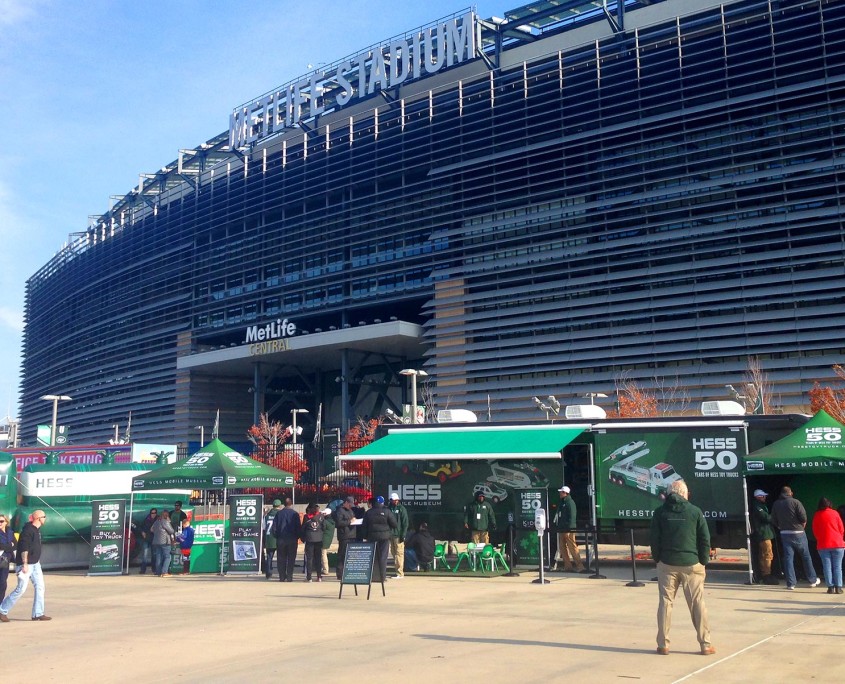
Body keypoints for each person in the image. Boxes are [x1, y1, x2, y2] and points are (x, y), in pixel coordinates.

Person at [650, 480, 714, 656]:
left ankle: (663, 644)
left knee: (665, 602)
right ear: (685, 493)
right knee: (697, 603)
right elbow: (704, 539)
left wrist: (658, 559)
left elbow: (654, 538)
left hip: (667, 563)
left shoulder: (660, 512)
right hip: (691, 564)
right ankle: (705, 644)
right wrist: (703, 560)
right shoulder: (695, 511)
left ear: (670, 493)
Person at [0, 509, 50, 622]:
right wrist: (25, 564)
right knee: (21, 589)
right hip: (26, 564)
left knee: (40, 587)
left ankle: (38, 613)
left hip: (35, 564)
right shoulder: (27, 531)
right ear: (38, 518)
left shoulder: (37, 530)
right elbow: (23, 548)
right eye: (44, 517)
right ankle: (2, 610)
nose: (45, 519)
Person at [770, 486, 820, 590]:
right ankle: (812, 580)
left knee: (788, 559)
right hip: (798, 532)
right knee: (806, 556)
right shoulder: (796, 502)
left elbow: (773, 519)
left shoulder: (776, 504)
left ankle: (791, 584)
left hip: (784, 533)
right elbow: (803, 517)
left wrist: (780, 527)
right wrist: (802, 526)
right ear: (790, 493)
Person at [811, 497, 844, 595]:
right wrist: (840, 538)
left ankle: (830, 587)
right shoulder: (835, 513)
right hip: (837, 544)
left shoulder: (817, 515)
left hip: (823, 544)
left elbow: (815, 530)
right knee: (838, 567)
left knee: (827, 567)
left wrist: (820, 539)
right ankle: (838, 587)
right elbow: (841, 528)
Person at [363, 495, 397, 582]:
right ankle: (382, 577)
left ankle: (372, 576)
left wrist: (365, 536)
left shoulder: (369, 512)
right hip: (384, 537)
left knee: (373, 557)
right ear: (383, 502)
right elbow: (394, 524)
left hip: (372, 537)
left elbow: (364, 526)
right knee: (383, 557)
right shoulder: (387, 511)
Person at [552, 485, 584, 572]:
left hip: (568, 529)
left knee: (572, 547)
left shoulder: (570, 503)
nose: (559, 493)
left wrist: (569, 529)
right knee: (562, 547)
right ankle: (567, 566)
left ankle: (580, 566)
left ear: (565, 493)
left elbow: (572, 517)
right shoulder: (562, 502)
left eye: (561, 492)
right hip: (562, 529)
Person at [749, 489, 777, 584]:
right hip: (764, 534)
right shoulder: (757, 506)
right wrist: (773, 516)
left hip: (764, 533)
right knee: (767, 554)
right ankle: (767, 574)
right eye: (763, 496)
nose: (765, 497)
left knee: (763, 555)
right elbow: (766, 517)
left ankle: (764, 573)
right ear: (758, 497)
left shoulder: (760, 505)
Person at [272, 498, 301, 582]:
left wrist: (277, 536)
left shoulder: (279, 514)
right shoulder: (295, 514)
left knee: (281, 558)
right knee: (291, 558)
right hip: (292, 539)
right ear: (291, 504)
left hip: (281, 539)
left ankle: (281, 576)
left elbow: (274, 527)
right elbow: (298, 527)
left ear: (284, 504)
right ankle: (289, 576)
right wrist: (297, 536)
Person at [300, 503, 325, 582]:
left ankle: (309, 577)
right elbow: (324, 527)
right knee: (318, 558)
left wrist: (303, 539)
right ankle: (319, 576)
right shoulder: (321, 516)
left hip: (310, 539)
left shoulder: (307, 517)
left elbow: (303, 529)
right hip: (319, 539)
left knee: (309, 559)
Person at [335, 496, 358, 580]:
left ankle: (348, 572)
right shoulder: (340, 511)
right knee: (342, 554)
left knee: (349, 555)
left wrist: (355, 520)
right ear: (346, 503)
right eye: (349, 504)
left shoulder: (350, 511)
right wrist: (349, 522)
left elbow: (352, 518)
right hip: (344, 536)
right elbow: (338, 523)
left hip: (352, 535)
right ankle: (340, 574)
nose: (350, 506)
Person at [388, 492, 409, 578]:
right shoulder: (389, 508)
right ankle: (397, 571)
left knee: (399, 553)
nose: (396, 501)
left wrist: (403, 535)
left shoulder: (401, 509)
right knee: (393, 553)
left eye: (397, 500)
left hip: (398, 535)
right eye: (394, 500)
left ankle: (400, 573)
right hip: (391, 535)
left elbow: (405, 523)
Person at [151, 509, 176, 577]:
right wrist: (169, 522)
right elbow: (171, 531)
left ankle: (158, 572)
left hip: (156, 541)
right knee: (167, 557)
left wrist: (158, 533)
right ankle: (164, 572)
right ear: (166, 515)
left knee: (158, 557)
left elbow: (151, 529)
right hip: (165, 541)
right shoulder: (165, 521)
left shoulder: (156, 521)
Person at [133, 508, 157, 575]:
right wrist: (142, 532)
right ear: (150, 513)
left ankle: (154, 569)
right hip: (147, 539)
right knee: (145, 555)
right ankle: (143, 570)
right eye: (152, 513)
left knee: (154, 555)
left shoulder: (158, 519)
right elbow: (140, 527)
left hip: (154, 539)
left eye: (155, 513)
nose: (153, 514)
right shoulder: (147, 519)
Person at [263, 500, 282, 580]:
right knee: (281, 557)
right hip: (278, 538)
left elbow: (263, 527)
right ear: (279, 506)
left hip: (269, 538)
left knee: (269, 557)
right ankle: (281, 573)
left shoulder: (267, 515)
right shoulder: (280, 514)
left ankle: (268, 574)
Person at [0, 514, 17, 600]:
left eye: (2, 521)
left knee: (3, 582)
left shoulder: (10, 532)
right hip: (2, 557)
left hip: (5, 560)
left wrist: (7, 546)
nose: (0, 523)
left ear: (6, 522)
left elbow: (15, 545)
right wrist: (10, 545)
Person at [320, 508, 336, 577]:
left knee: (323, 554)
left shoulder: (325, 522)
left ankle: (325, 569)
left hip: (323, 539)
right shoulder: (332, 522)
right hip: (328, 539)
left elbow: (322, 529)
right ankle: (324, 568)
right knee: (324, 554)